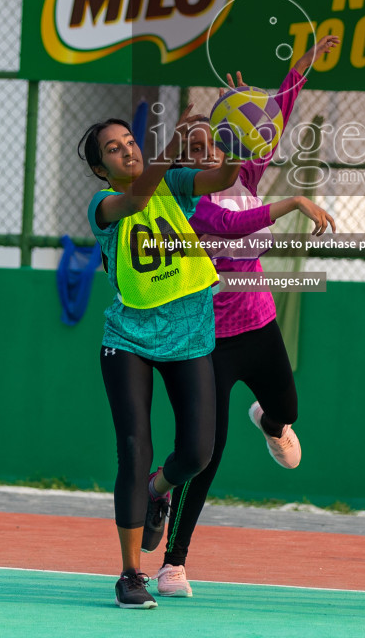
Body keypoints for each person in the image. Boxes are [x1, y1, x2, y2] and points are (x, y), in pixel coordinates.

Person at [156, 35, 341, 597]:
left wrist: (299, 68)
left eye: (212, 144)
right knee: (205, 452)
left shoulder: (245, 175)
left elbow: (275, 120)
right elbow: (239, 228)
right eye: (195, 151)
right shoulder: (195, 204)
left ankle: (267, 420)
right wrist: (295, 203)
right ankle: (174, 563)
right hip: (208, 338)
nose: (208, 153)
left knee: (287, 409)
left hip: (257, 324)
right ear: (185, 167)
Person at [80, 104, 241, 609]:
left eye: (129, 141)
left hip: (189, 332)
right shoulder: (105, 204)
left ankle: (159, 490)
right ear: (100, 169)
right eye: (113, 148)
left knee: (197, 452)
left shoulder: (174, 183)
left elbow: (225, 176)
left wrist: (236, 137)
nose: (126, 150)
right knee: (134, 447)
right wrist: (170, 147)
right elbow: (136, 199)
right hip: (128, 337)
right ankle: (131, 574)